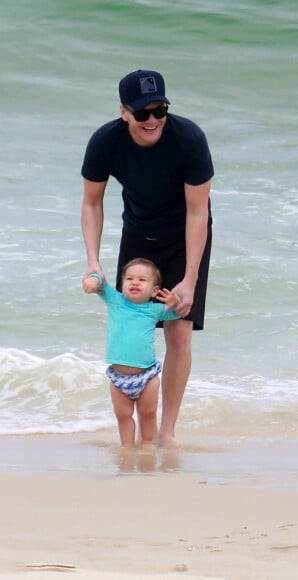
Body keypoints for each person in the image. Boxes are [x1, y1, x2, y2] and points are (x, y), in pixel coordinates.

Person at [81, 69, 214, 446]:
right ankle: (129, 428)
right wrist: (93, 261)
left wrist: (189, 278)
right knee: (131, 321)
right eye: (143, 113)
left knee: (178, 331)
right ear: (124, 112)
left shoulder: (189, 139)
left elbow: (197, 212)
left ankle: (165, 432)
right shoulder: (105, 142)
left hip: (186, 236)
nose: (153, 119)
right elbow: (92, 202)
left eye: (160, 110)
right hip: (138, 234)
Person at [84, 258, 181, 447]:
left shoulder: (155, 309)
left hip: (147, 377)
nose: (135, 282)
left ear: (154, 291)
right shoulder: (115, 300)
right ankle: (127, 448)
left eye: (142, 280)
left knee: (148, 413)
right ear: (122, 284)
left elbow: (176, 314)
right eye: (129, 279)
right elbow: (101, 283)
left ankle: (147, 446)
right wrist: (92, 280)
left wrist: (175, 302)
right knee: (123, 416)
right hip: (118, 378)